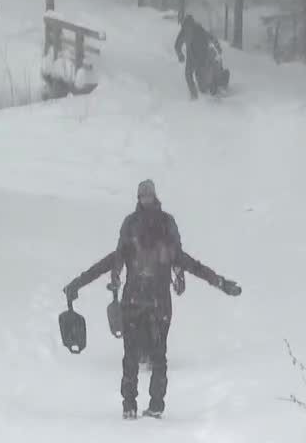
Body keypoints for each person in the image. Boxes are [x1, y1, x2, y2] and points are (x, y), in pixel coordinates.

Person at [64, 179, 242, 419]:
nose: (145, 199)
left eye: (147, 195)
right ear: (141, 198)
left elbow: (115, 261)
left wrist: (220, 282)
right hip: (156, 304)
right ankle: (145, 405)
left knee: (138, 357)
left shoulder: (136, 224)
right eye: (143, 195)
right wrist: (219, 282)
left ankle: (135, 406)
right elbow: (183, 262)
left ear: (149, 197)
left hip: (137, 302)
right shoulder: (161, 224)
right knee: (152, 357)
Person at [174, 14, 226, 99]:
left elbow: (211, 37)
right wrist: (180, 54)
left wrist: (217, 47)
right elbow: (177, 45)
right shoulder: (188, 30)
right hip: (195, 58)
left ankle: (212, 85)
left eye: (189, 25)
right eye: (186, 26)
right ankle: (196, 95)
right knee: (192, 76)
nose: (188, 28)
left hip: (200, 58)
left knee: (200, 81)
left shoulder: (195, 29)